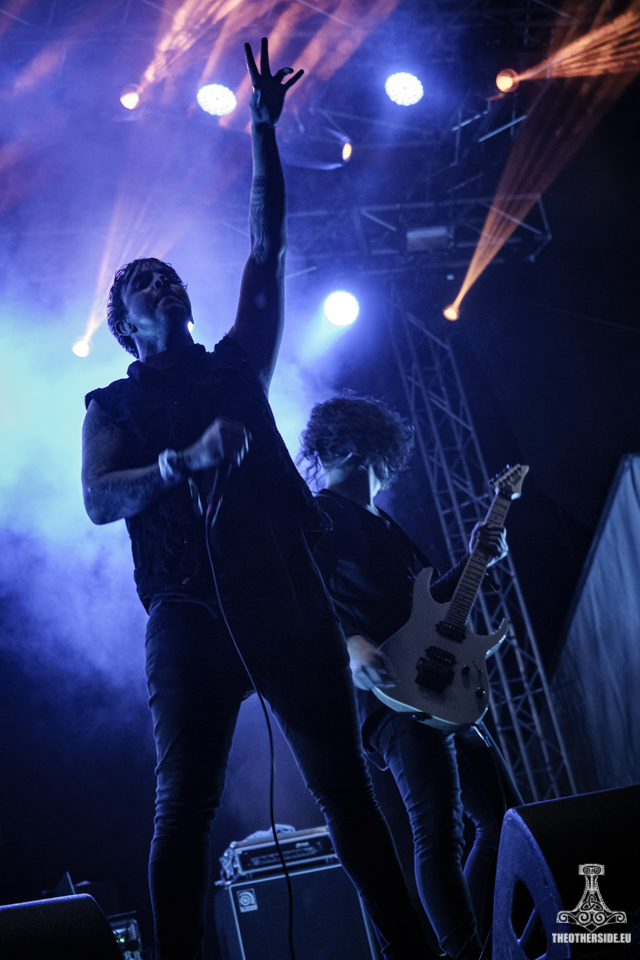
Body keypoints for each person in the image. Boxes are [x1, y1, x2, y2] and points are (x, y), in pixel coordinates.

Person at [81, 40, 435, 960]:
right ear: (125, 323)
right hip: (188, 612)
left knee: (347, 791)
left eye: (167, 274)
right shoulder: (112, 405)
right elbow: (98, 501)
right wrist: (178, 466)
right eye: (141, 282)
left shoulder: (237, 364)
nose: (161, 280)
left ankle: (419, 951)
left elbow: (267, 247)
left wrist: (262, 132)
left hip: (287, 597)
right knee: (183, 809)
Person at [301, 395, 523, 960]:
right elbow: (303, 595)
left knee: (506, 821)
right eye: (331, 448)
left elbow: (426, 609)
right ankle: (463, 951)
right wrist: (349, 642)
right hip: (392, 695)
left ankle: (485, 945)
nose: (333, 457)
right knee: (438, 832)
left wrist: (477, 560)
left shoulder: (384, 523)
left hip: (436, 683)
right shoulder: (322, 514)